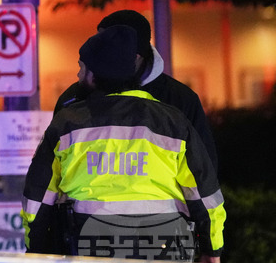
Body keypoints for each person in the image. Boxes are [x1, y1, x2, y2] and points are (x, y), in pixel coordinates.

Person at [23, 25, 225, 263]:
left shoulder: (67, 124)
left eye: (82, 67)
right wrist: (212, 251)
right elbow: (206, 197)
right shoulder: (173, 122)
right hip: (166, 253)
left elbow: (38, 199)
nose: (77, 73)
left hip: (91, 252)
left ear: (95, 75)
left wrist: (37, 256)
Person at [54, 9, 218, 171]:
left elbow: (202, 168)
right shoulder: (74, 98)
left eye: (107, 45)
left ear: (135, 56)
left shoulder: (180, 100)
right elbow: (54, 164)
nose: (98, 51)